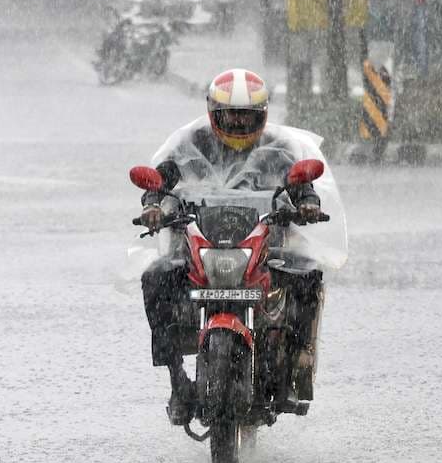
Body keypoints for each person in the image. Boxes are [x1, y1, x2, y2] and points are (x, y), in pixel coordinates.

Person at [138, 68, 326, 425]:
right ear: (214, 112)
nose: (239, 123)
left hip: (264, 239)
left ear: (263, 115)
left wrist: (307, 203)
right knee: (156, 279)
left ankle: (299, 360)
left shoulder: (277, 149)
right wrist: (152, 204)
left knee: (307, 275)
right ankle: (177, 377)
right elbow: (163, 177)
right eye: (231, 115)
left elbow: (300, 183)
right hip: (204, 239)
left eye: (247, 115)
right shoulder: (192, 145)